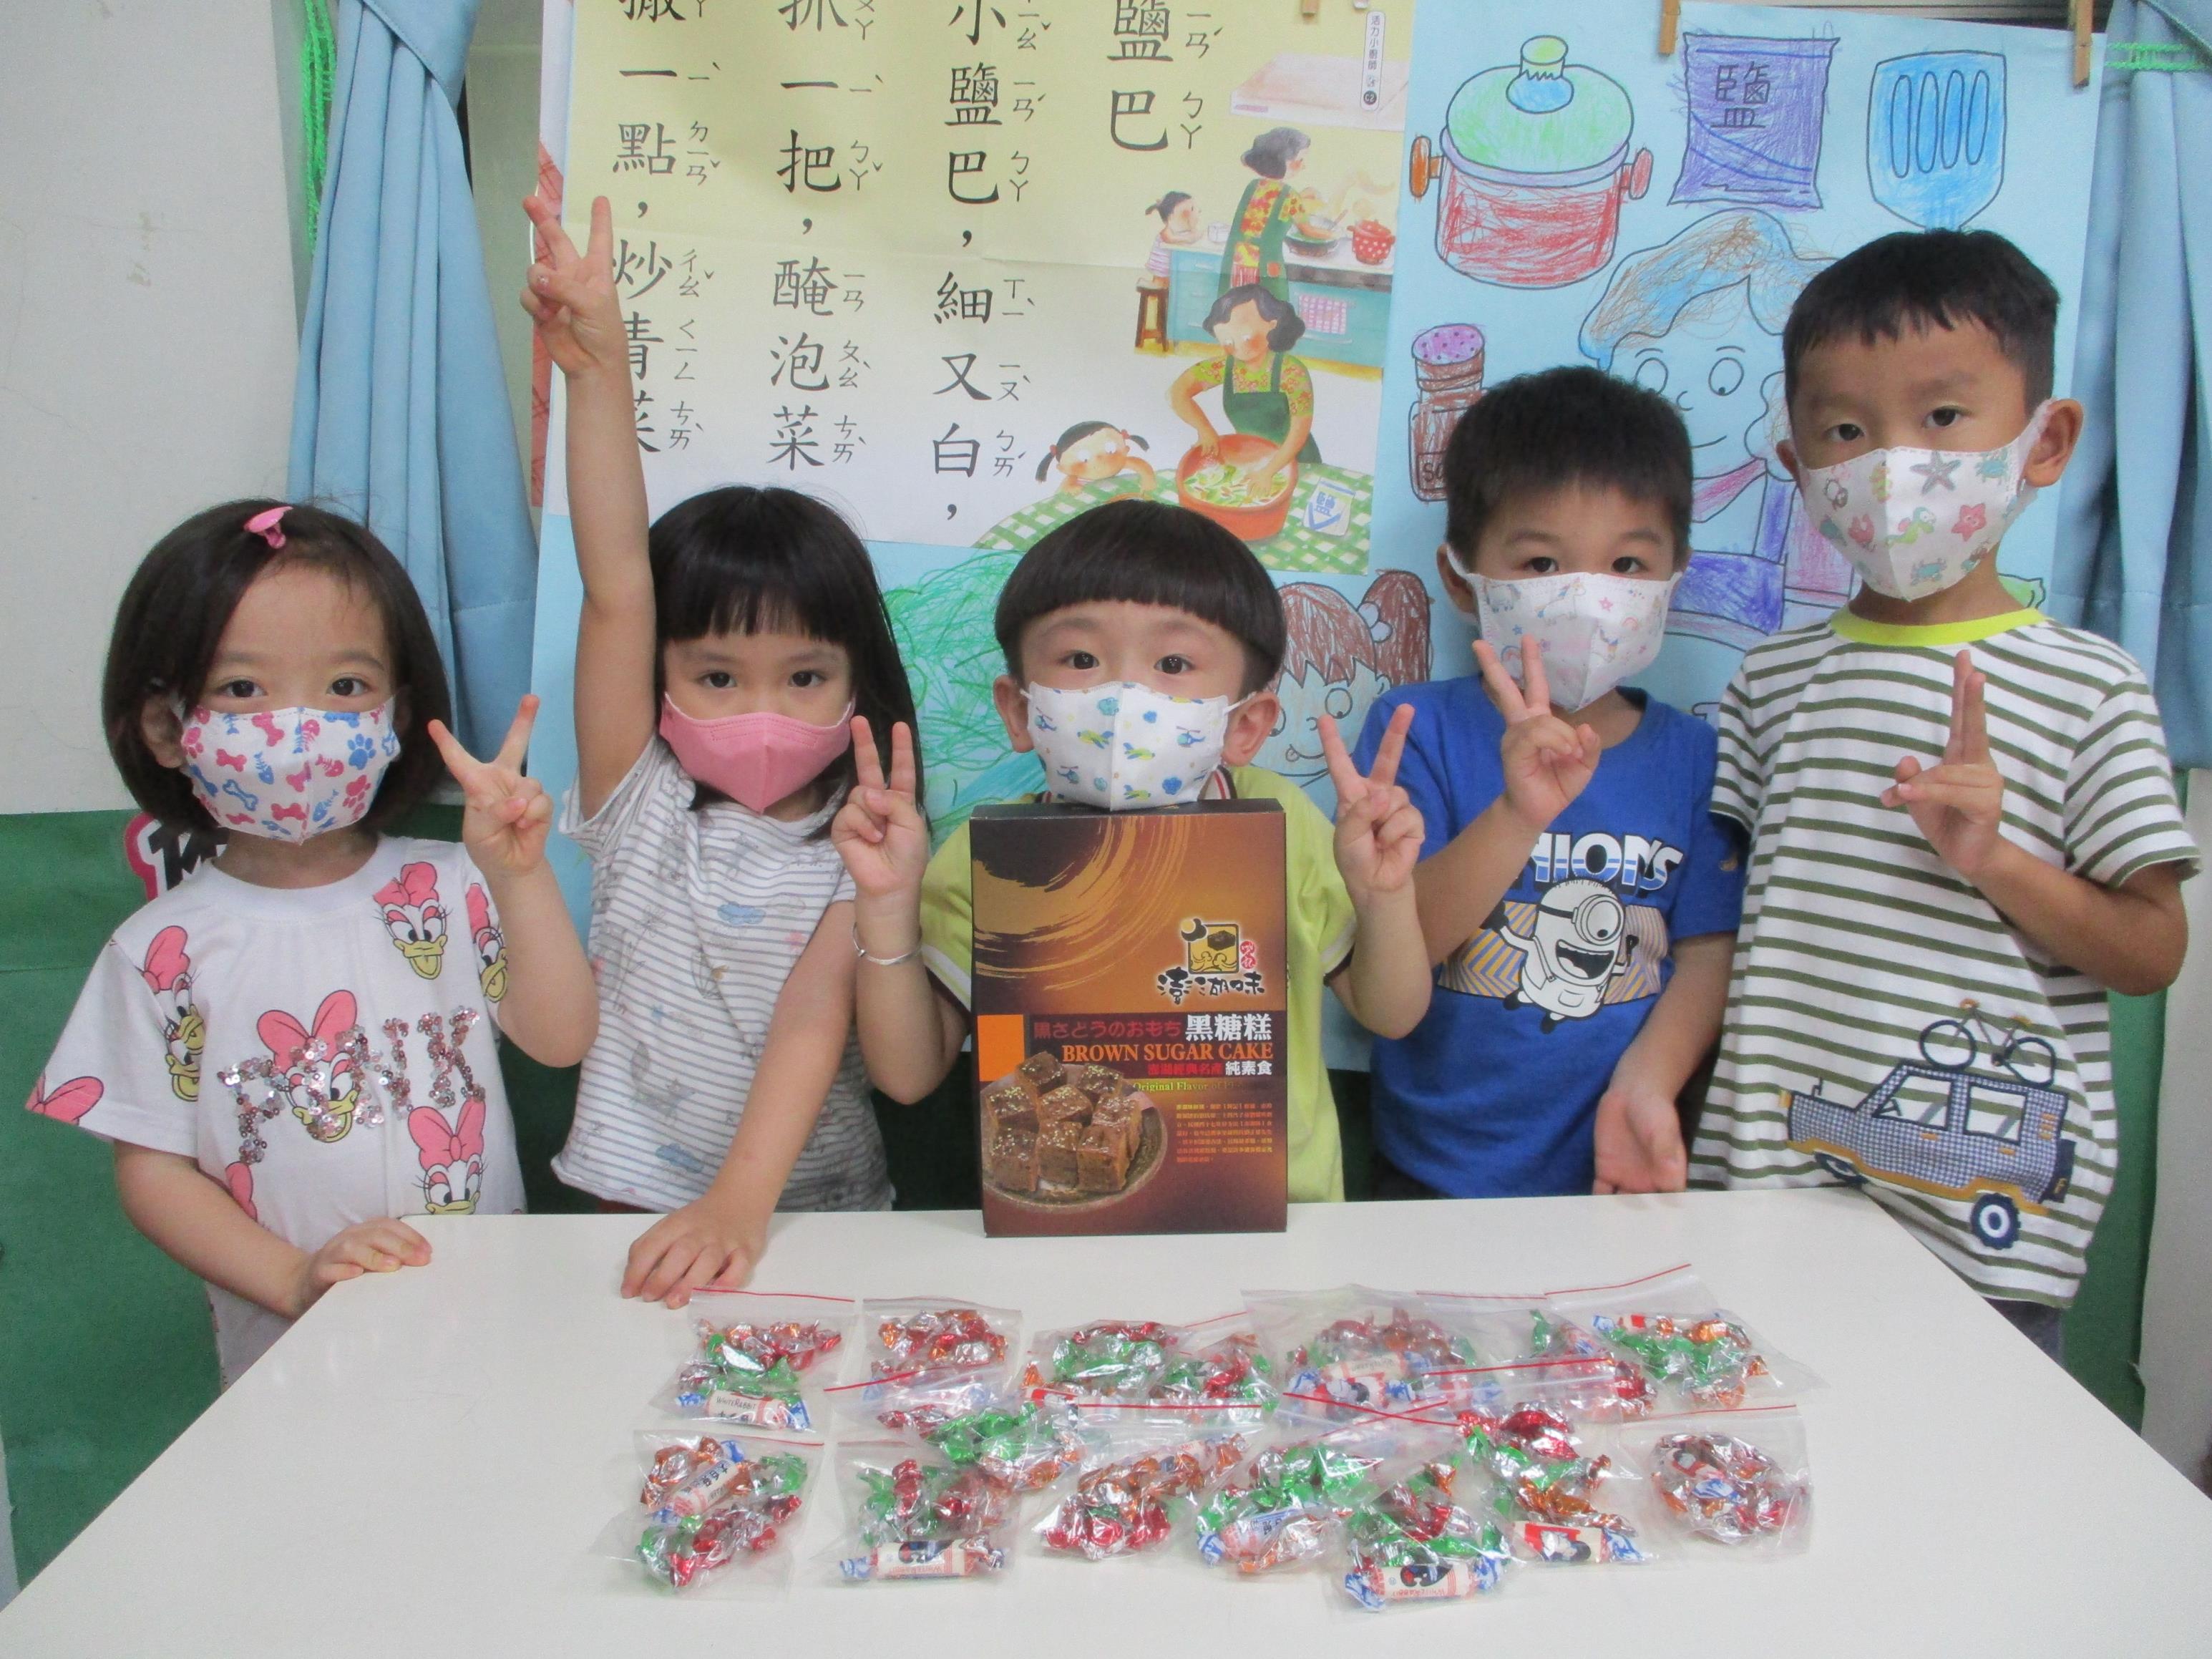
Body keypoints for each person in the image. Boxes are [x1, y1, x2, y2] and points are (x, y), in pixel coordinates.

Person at [1691, 230, 2197, 1361]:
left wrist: (1994, 859)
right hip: (1761, 1207)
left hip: (1986, 1240)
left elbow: (2148, 951)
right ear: (1798, 464)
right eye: (1844, 432)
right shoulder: (1768, 682)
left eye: (1940, 417)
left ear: (2041, 440)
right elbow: (1731, 927)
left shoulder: (2089, 685)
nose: (1889, 465)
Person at [27, 501, 598, 1383]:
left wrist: (519, 876)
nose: (298, 726)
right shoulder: (160, 950)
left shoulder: (452, 884)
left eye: (344, 686)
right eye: (242, 689)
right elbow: (152, 1173)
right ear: (167, 728)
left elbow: (561, 1038)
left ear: (398, 713)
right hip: (294, 1364)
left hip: (486, 1329)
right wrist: (293, 1277)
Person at [524, 194, 924, 1304]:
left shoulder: (865, 840)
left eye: (803, 677)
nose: (761, 709)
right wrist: (597, 370)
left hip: (819, 1222)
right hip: (635, 1208)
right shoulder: (635, 794)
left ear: (856, 679)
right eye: (715, 677)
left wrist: (741, 1207)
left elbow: (813, 1018)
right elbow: (616, 582)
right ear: (661, 676)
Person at [831, 497, 1434, 1203]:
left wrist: (1385, 896)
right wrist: (885, 907)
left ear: (1245, 725)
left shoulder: (1282, 823)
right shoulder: (987, 855)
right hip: (1066, 1217)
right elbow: (907, 1076)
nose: (1123, 696)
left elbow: (1390, 1013)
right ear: (1020, 709)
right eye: (1080, 658)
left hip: (1274, 1215)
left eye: (1173, 662)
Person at [1353, 367, 1744, 1200]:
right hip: (1432, 1173)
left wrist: (1646, 1083)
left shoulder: (1696, 756)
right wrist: (1516, 812)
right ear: (1461, 578)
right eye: (1540, 562)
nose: (1588, 597)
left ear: (1674, 577)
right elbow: (1397, 950)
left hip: (1616, 1171)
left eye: (1628, 563)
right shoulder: (1414, 728)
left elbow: (1707, 955)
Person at [1169, 283, 1321, 494]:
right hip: (1253, 461)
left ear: (1272, 325)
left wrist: (1269, 472)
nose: (1237, 347)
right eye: (1227, 341)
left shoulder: (1291, 371)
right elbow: (1178, 392)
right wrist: (1204, 429)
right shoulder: (1224, 367)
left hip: (1297, 462)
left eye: (1245, 337)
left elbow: (1299, 433)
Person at [1221, 127, 1320, 303]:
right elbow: (1308, 230)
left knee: (1238, 310)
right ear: (1282, 162)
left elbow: (1269, 204)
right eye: (1300, 160)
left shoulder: (1253, 186)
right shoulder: (1290, 196)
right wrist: (1336, 234)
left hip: (1236, 265)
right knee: (1271, 312)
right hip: (1264, 268)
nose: (1304, 166)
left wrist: (1302, 196)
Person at [1140, 190, 1204, 291]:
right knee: (1162, 280)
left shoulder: (1184, 231)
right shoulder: (1168, 231)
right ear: (1171, 216)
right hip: (1162, 264)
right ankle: (1157, 284)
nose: (1197, 212)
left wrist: (1193, 229)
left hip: (1174, 264)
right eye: (1190, 210)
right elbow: (1170, 239)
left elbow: (1195, 236)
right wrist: (1187, 239)